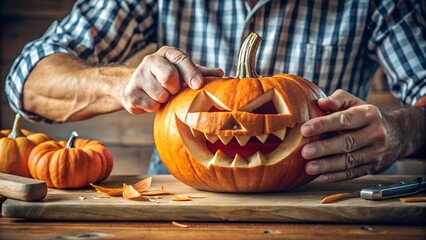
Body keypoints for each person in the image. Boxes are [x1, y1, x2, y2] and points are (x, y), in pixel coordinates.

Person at [5, 0, 426, 182]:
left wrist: (400, 131)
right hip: (181, 209)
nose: (239, 122)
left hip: (328, 200)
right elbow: (27, 80)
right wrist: (124, 83)